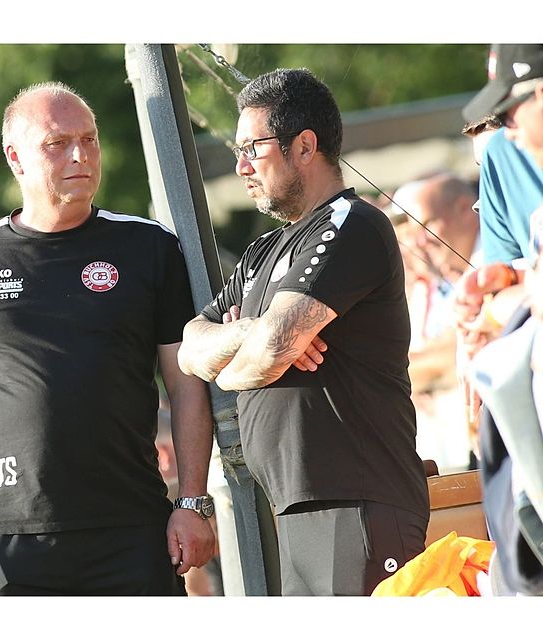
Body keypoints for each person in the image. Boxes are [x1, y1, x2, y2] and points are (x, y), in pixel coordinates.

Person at [0, 82, 216, 596]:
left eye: (89, 139)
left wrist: (192, 501)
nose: (80, 155)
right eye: (57, 143)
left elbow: (186, 381)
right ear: (15, 158)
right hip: (12, 538)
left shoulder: (148, 246)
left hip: (131, 528)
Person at [177, 68, 430, 596]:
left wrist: (242, 357)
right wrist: (254, 331)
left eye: (253, 147)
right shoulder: (260, 253)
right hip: (295, 503)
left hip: (357, 501)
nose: (240, 164)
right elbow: (189, 347)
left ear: (304, 146)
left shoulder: (351, 224)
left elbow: (269, 354)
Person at [459, 42, 543, 595]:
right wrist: (503, 289)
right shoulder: (503, 155)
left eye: (512, 109)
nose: (505, 129)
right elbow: (503, 289)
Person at [397, 174, 481, 471]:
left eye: (427, 224)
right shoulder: (444, 280)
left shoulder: (490, 264)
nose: (419, 241)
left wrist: (391, 376)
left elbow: (455, 353)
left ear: (464, 209)